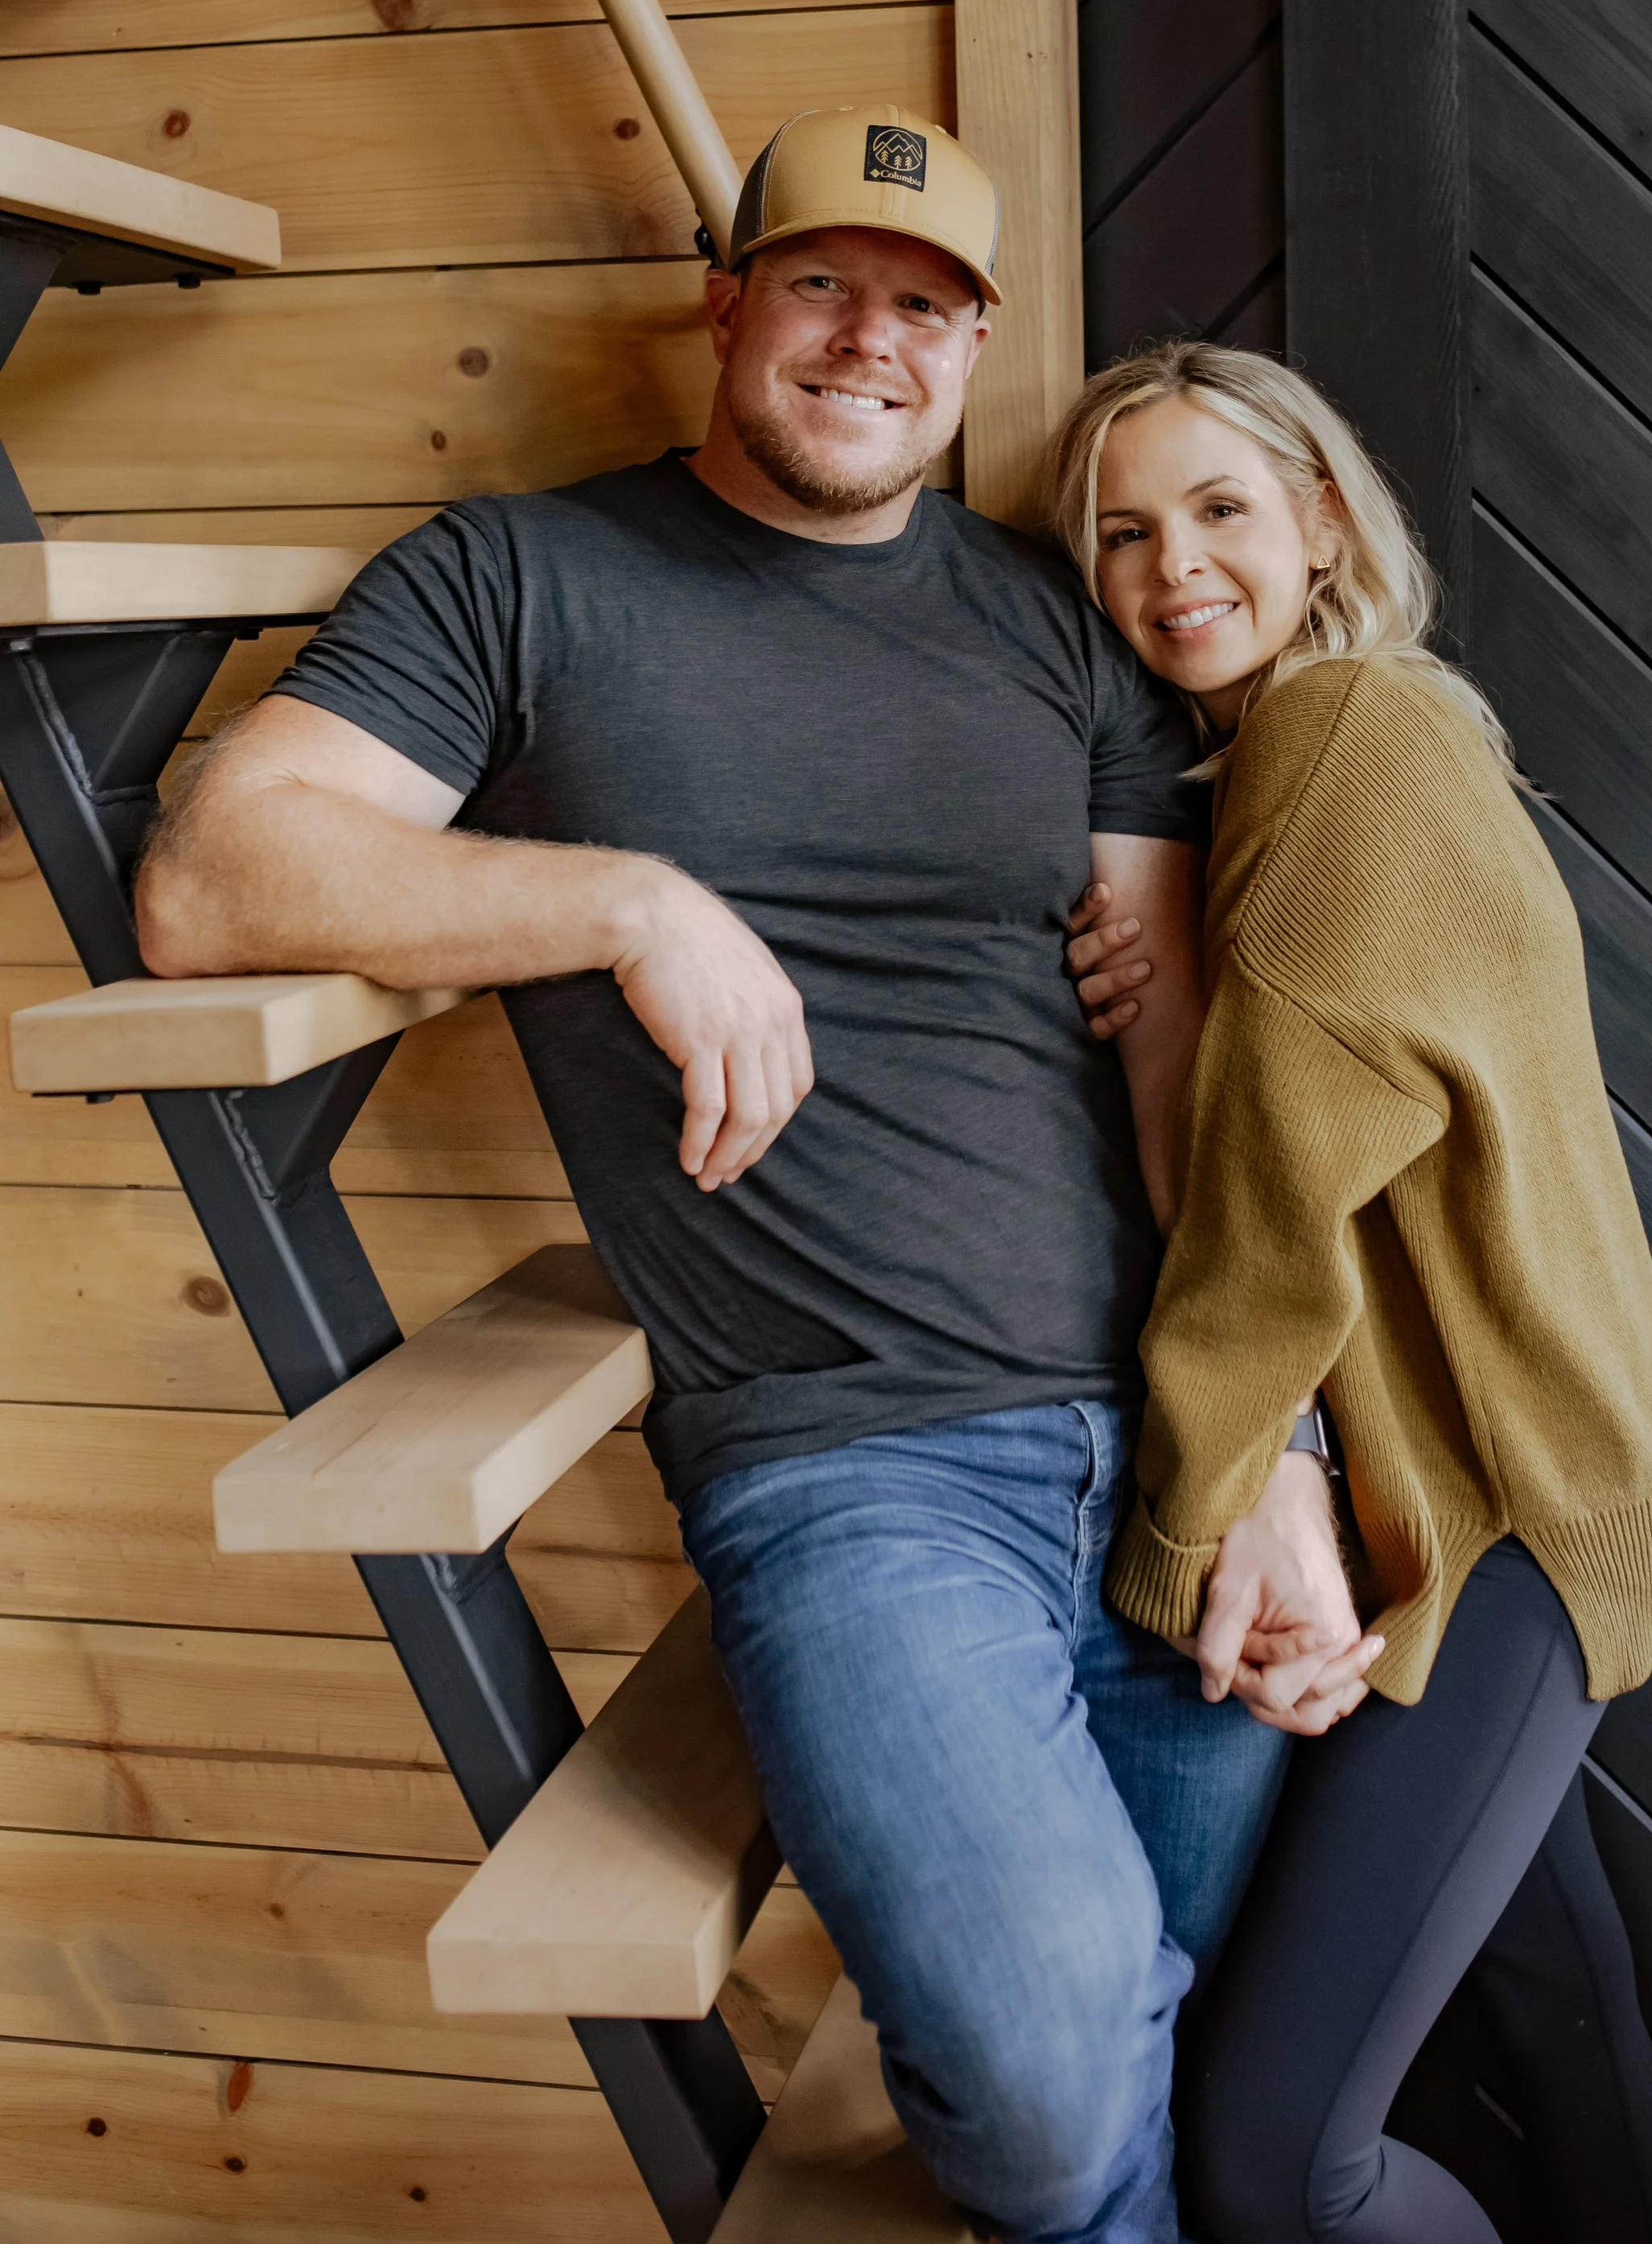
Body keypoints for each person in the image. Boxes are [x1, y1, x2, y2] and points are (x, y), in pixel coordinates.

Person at [134, 110, 1297, 2244]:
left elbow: (1174, 1052)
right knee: (1050, 2089)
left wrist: (1262, 1439)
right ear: (726, 300)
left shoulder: (1063, 617)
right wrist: (628, 898)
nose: (874, 340)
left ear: (970, 354)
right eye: (826, 284)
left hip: (1164, 1430)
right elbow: (212, 879)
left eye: (927, 305)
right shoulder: (519, 577)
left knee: (1199, 2039)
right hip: (857, 1467)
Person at [1050, 342, 1652, 2244]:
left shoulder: (1340, 731)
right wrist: (1173, 978)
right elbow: (1283, 1092)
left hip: (1497, 1500)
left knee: (1269, 2164)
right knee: (1554, 2009)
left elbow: (1269, 1187)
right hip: (1529, 1463)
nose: (1172, 565)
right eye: (1119, 534)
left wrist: (1188, 1520)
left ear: (1323, 516)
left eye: (1220, 508)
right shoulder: (1312, 748)